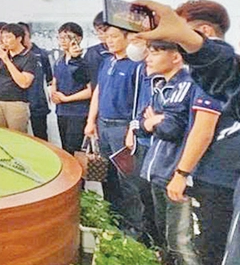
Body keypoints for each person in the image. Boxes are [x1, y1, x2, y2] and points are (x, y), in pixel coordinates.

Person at [168, 0, 237, 265]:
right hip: (221, 176)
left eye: (181, 32)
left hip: (218, 178)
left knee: (211, 249)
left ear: (205, 31)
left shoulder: (213, 73)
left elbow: (203, 129)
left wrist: (181, 174)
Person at [132, 41, 205, 264]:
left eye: (155, 53)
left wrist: (154, 121)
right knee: (165, 237)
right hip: (157, 171)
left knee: (181, 243)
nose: (148, 58)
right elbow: (143, 124)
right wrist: (154, 121)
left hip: (176, 173)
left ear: (176, 57)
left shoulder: (186, 84)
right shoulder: (161, 86)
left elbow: (171, 128)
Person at [85, 25, 145, 241]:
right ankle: (113, 221)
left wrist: (132, 129)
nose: (109, 40)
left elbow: (140, 100)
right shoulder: (107, 61)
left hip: (122, 129)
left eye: (114, 37)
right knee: (106, 177)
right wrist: (91, 121)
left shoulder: (137, 66)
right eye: (107, 37)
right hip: (103, 126)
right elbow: (98, 92)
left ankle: (135, 230)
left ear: (128, 38)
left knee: (127, 181)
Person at [50, 22, 91, 155]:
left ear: (78, 39)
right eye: (60, 37)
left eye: (66, 37)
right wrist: (53, 94)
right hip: (62, 111)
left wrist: (67, 98)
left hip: (78, 112)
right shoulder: (59, 61)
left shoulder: (84, 62)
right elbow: (55, 81)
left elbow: (90, 90)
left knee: (75, 150)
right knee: (65, 149)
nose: (62, 41)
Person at [0, 23, 36, 133]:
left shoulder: (29, 57)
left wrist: (7, 60)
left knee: (16, 137)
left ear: (19, 38)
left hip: (16, 102)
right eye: (3, 37)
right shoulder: (3, 54)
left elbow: (24, 82)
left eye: (8, 37)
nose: (5, 41)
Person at [19, 22, 54, 141]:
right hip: (19, 102)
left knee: (41, 138)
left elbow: (49, 79)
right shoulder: (13, 55)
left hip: (38, 103)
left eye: (23, 34)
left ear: (28, 34)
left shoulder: (41, 54)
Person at [85, 12, 112, 87]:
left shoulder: (128, 54)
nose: (99, 34)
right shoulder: (92, 53)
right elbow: (83, 78)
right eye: (97, 30)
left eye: (103, 30)